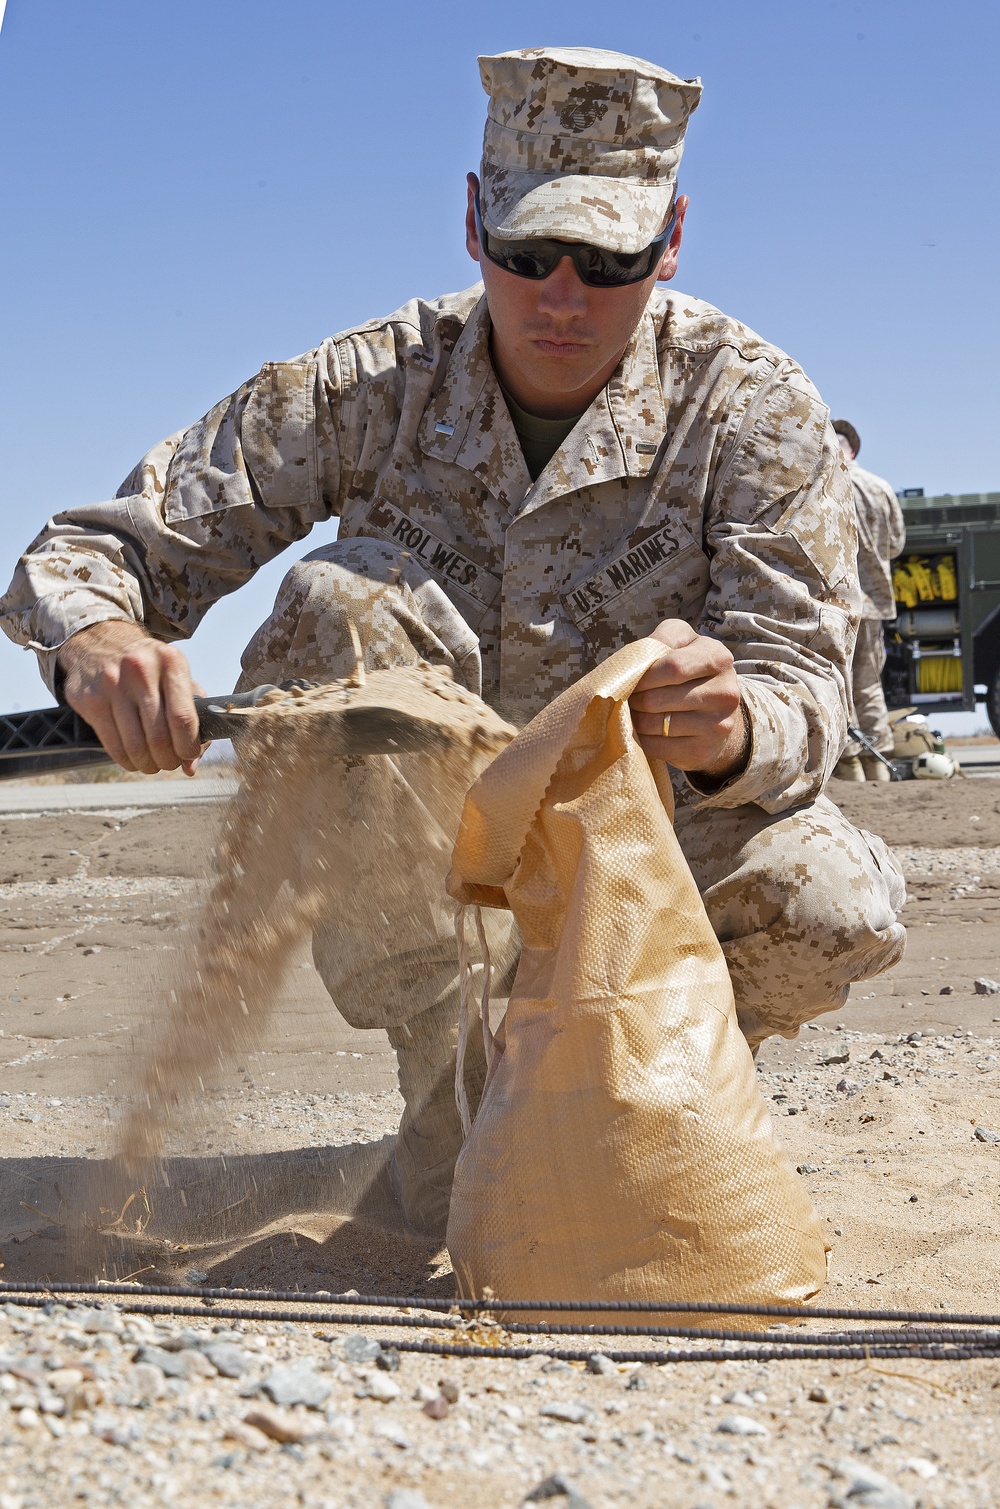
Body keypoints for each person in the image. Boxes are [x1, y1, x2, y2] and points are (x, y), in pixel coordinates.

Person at [0, 47, 905, 1238]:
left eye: (610, 261)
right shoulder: (369, 384)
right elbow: (85, 555)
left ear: (671, 239)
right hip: (425, 879)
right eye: (527, 256)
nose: (562, 298)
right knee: (343, 601)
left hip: (640, 861)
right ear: (472, 221)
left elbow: (807, 693)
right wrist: (101, 637)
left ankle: (625, 1094)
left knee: (831, 895)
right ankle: (454, 1098)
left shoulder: (753, 408)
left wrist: (737, 730)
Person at [831, 419, 906, 782]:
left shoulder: (825, 484)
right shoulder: (880, 487)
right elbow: (895, 545)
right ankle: (881, 764)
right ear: (855, 449)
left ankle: (851, 763)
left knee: (839, 682)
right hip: (874, 602)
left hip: (837, 600)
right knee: (868, 682)